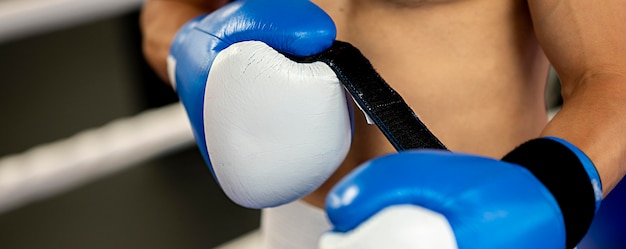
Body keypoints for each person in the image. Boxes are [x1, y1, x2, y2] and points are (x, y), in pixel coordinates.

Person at [140, 0, 626, 248]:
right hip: (294, 223)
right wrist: (197, 52)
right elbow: (168, 10)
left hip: (467, 232)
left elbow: (612, 76)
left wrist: (533, 197)